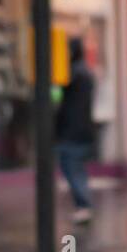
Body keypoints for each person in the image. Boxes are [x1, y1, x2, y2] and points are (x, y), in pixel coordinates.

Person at [55, 35, 97, 226]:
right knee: (76, 169)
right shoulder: (86, 73)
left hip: (72, 132)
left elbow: (58, 99)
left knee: (72, 168)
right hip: (82, 130)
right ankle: (84, 205)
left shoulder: (73, 74)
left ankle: (83, 205)